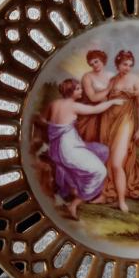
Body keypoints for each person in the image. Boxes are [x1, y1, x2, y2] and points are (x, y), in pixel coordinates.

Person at [43, 78, 124, 220]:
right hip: (68, 149)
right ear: (71, 91)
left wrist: (58, 130)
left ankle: (76, 186)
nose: (81, 91)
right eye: (78, 89)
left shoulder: (54, 104)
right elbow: (95, 109)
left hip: (59, 146)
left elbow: (43, 120)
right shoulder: (73, 106)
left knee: (102, 151)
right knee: (100, 172)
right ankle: (73, 204)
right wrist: (112, 102)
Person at [96, 50, 139, 212]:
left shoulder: (135, 80)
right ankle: (106, 194)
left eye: (130, 65)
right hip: (108, 120)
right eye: (125, 64)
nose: (127, 68)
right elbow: (102, 100)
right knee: (106, 159)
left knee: (117, 162)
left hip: (125, 121)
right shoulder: (113, 80)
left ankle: (121, 200)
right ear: (117, 64)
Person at [77, 49, 113, 143]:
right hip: (92, 110)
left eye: (96, 61)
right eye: (91, 64)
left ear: (102, 60)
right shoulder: (87, 77)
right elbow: (92, 97)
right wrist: (108, 89)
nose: (94, 65)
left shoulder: (111, 76)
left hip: (109, 107)